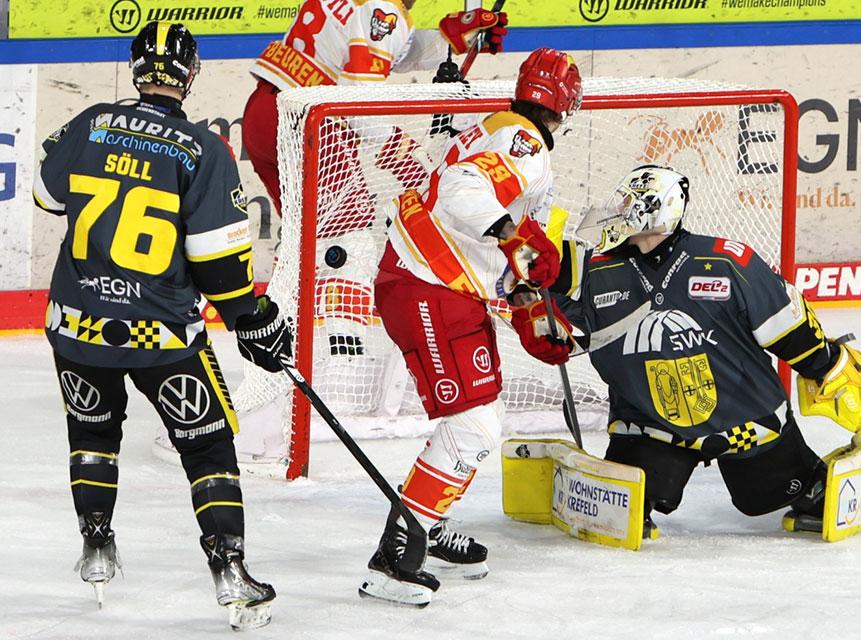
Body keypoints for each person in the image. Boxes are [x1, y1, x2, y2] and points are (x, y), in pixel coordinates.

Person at [33, 21, 292, 631]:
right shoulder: (203, 147)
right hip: (163, 337)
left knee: (92, 434)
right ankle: (229, 570)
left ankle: (97, 546)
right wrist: (247, 319)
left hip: (77, 327)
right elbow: (217, 261)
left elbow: (47, 195)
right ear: (191, 75)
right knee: (207, 447)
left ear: (136, 66)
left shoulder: (92, 119)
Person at [545, 164, 861, 539]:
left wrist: (827, 366)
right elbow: (534, 285)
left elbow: (787, 323)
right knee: (629, 502)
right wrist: (533, 283)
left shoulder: (727, 260)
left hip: (746, 419)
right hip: (651, 422)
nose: (618, 211)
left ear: (655, 211)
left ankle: (810, 481)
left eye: (629, 204)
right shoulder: (592, 271)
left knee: (776, 495)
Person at [357, 48, 583, 607]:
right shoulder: (524, 145)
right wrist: (513, 236)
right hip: (427, 286)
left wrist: (532, 309)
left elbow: (510, 253)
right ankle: (393, 560)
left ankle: (425, 531)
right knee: (474, 427)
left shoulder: (503, 129)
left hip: (441, 288)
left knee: (483, 418)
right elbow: (461, 190)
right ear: (568, 103)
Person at [243, 0, 509, 222]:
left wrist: (451, 38)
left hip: (263, 113)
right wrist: (409, 161)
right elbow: (356, 105)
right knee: (348, 239)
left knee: (306, 238)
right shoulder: (386, 10)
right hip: (308, 128)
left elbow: (384, 50)